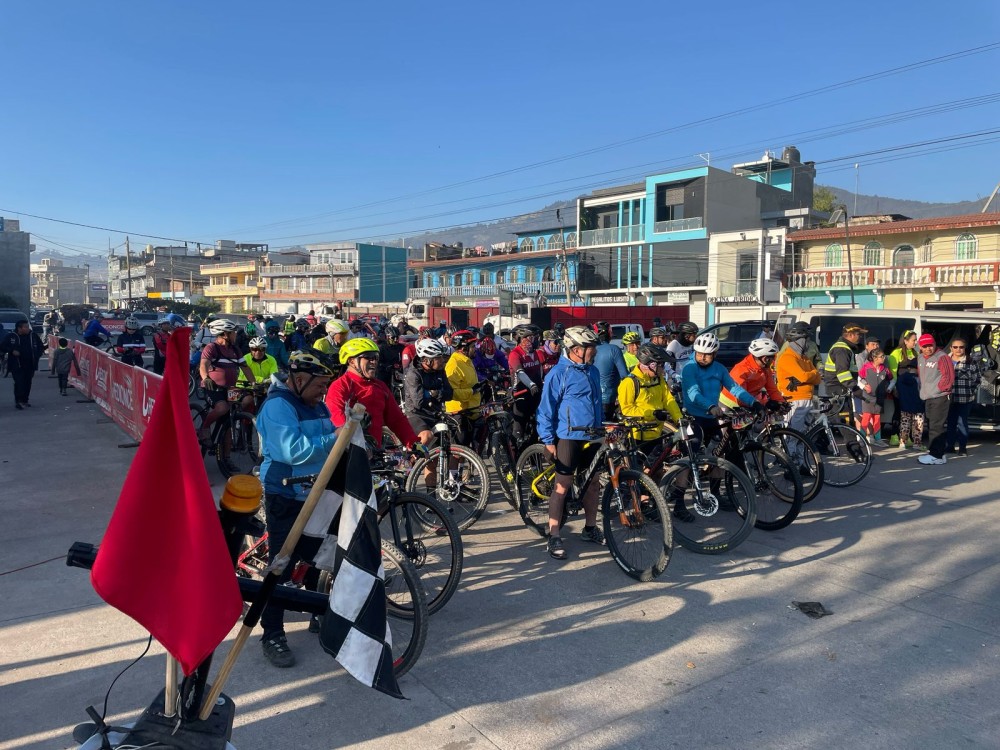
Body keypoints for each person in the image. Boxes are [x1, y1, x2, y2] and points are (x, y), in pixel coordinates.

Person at [255, 348, 339, 668]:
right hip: (285, 494)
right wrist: (338, 438)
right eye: (320, 385)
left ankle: (317, 612)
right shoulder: (278, 406)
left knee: (319, 557)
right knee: (282, 567)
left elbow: (332, 437)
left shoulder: (314, 404)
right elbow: (293, 451)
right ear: (299, 379)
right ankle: (272, 633)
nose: (323, 393)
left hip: (315, 492)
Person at [536, 325, 605, 560]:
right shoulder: (559, 373)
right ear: (575, 349)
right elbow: (546, 409)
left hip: (593, 435)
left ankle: (590, 528)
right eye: (590, 348)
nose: (594, 351)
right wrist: (548, 440)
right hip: (568, 435)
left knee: (593, 483)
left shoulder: (592, 371)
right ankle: (554, 534)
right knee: (562, 485)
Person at [326, 337, 431, 448]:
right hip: (350, 452)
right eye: (368, 357)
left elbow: (396, 419)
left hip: (375, 451)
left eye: (376, 357)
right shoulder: (340, 386)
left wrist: (413, 443)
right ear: (352, 361)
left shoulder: (380, 386)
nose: (374, 361)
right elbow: (338, 421)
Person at [198, 319, 257, 450]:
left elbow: (245, 368)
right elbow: (203, 365)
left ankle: (227, 458)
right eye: (233, 332)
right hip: (213, 388)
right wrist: (206, 378)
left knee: (233, 417)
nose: (235, 334)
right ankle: (204, 427)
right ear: (225, 334)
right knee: (222, 408)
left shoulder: (235, 349)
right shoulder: (211, 348)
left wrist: (254, 384)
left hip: (230, 389)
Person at [617, 344, 681, 447]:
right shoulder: (630, 382)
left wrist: (679, 418)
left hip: (657, 433)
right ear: (650, 365)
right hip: (637, 437)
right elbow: (627, 410)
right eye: (661, 366)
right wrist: (653, 413)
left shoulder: (658, 379)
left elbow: (668, 399)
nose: (663, 370)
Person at [776, 321, 822, 439]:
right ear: (799, 340)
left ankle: (800, 457)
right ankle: (789, 457)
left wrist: (811, 375)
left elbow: (817, 380)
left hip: (807, 398)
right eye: (807, 339)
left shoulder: (804, 358)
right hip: (794, 400)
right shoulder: (787, 357)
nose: (808, 343)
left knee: (804, 437)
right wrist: (813, 374)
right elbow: (804, 377)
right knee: (792, 436)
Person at [915, 333, 954, 465]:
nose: (928, 348)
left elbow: (948, 377)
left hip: (940, 396)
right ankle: (937, 453)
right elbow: (921, 376)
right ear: (920, 347)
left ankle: (936, 455)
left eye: (930, 345)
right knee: (931, 425)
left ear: (934, 344)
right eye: (925, 346)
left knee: (936, 426)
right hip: (928, 397)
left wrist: (939, 389)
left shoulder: (942, 357)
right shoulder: (920, 357)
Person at [719, 338, 785, 411]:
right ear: (765, 359)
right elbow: (740, 396)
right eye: (773, 357)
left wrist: (780, 403)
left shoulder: (765, 369)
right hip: (729, 405)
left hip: (750, 402)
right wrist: (764, 404)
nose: (774, 360)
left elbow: (772, 389)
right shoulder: (742, 370)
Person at [444, 330, 483, 447]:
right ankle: (454, 466)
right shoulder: (454, 365)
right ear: (463, 348)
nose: (475, 348)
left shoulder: (467, 361)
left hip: (471, 410)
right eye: (473, 346)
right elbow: (452, 393)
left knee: (472, 446)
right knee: (458, 451)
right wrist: (473, 391)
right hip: (458, 413)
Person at [822, 323, 867, 424]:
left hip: (840, 387)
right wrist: (855, 388)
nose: (860, 337)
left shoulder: (845, 347)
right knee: (845, 419)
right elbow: (843, 373)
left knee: (840, 418)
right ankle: (850, 440)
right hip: (838, 387)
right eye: (858, 334)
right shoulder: (842, 349)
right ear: (851, 335)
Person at [945, 338, 983, 456]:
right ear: (951, 348)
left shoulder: (971, 362)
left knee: (962, 423)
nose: (958, 349)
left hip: (965, 398)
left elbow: (978, 379)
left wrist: (971, 391)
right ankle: (950, 446)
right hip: (948, 398)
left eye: (961, 347)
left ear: (964, 348)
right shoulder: (945, 360)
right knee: (950, 423)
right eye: (955, 347)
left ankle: (962, 448)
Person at [891, 331, 924, 450]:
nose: (915, 342)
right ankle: (898, 437)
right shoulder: (897, 352)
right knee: (902, 411)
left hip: (914, 385)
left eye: (916, 340)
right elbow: (893, 371)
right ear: (905, 340)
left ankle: (913, 439)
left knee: (915, 412)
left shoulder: (915, 352)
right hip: (902, 385)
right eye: (913, 340)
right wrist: (894, 387)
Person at [2, 319, 46, 409]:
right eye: (25, 327)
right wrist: (12, 351)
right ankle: (19, 401)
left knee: (27, 383)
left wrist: (37, 355)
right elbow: (2, 346)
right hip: (17, 365)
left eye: (27, 327)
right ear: (19, 328)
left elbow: (40, 346)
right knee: (19, 383)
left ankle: (25, 400)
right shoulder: (12, 336)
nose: (27, 329)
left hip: (30, 364)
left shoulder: (32, 336)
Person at [592, 320, 628, 420]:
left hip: (590, 398)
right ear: (609, 334)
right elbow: (624, 375)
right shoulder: (614, 349)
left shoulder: (589, 350)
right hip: (608, 398)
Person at [858, 348, 892, 447]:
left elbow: (891, 379)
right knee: (866, 418)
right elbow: (860, 378)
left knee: (877, 418)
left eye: (884, 356)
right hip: (868, 397)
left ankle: (878, 439)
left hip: (880, 397)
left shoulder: (885, 369)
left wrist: (888, 388)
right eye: (881, 356)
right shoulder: (866, 367)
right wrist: (865, 386)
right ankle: (861, 439)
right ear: (874, 358)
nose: (884, 358)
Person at [236, 337, 278, 413]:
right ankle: (239, 416)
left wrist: (269, 380)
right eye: (254, 349)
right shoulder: (245, 358)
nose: (258, 352)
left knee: (273, 403)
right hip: (245, 387)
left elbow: (274, 375)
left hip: (263, 388)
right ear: (250, 350)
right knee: (248, 401)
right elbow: (244, 376)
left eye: (261, 349)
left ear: (265, 349)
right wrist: (263, 380)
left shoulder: (272, 359)